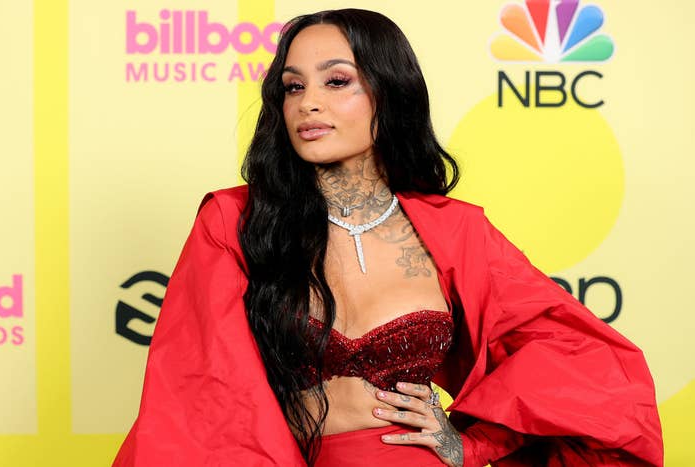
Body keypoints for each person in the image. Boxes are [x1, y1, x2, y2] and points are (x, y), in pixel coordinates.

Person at [113, 8, 663, 467]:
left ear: (388, 92)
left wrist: (471, 445)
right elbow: (201, 394)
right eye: (293, 86)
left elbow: (577, 357)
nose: (308, 102)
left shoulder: (457, 229)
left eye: (336, 81)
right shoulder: (233, 222)